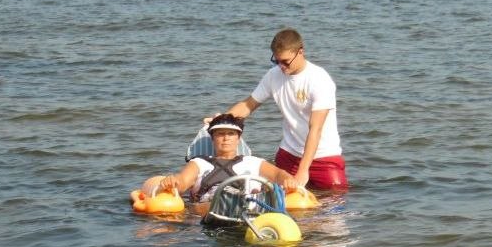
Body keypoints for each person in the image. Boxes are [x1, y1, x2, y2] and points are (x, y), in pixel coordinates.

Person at [223, 28, 348, 191]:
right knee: (279, 201)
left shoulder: (319, 79)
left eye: (285, 62)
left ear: (300, 52)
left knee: (336, 200)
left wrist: (303, 171)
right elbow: (248, 105)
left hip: (324, 156)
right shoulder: (273, 76)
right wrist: (222, 120)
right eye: (276, 61)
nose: (281, 67)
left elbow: (315, 129)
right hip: (288, 154)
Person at [136, 113, 298, 206]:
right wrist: (173, 181)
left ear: (238, 138)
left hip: (248, 207)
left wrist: (287, 180)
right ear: (213, 139)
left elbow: (278, 175)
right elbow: (183, 181)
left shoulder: (254, 162)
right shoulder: (199, 163)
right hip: (208, 211)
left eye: (231, 134)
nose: (226, 138)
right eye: (220, 134)